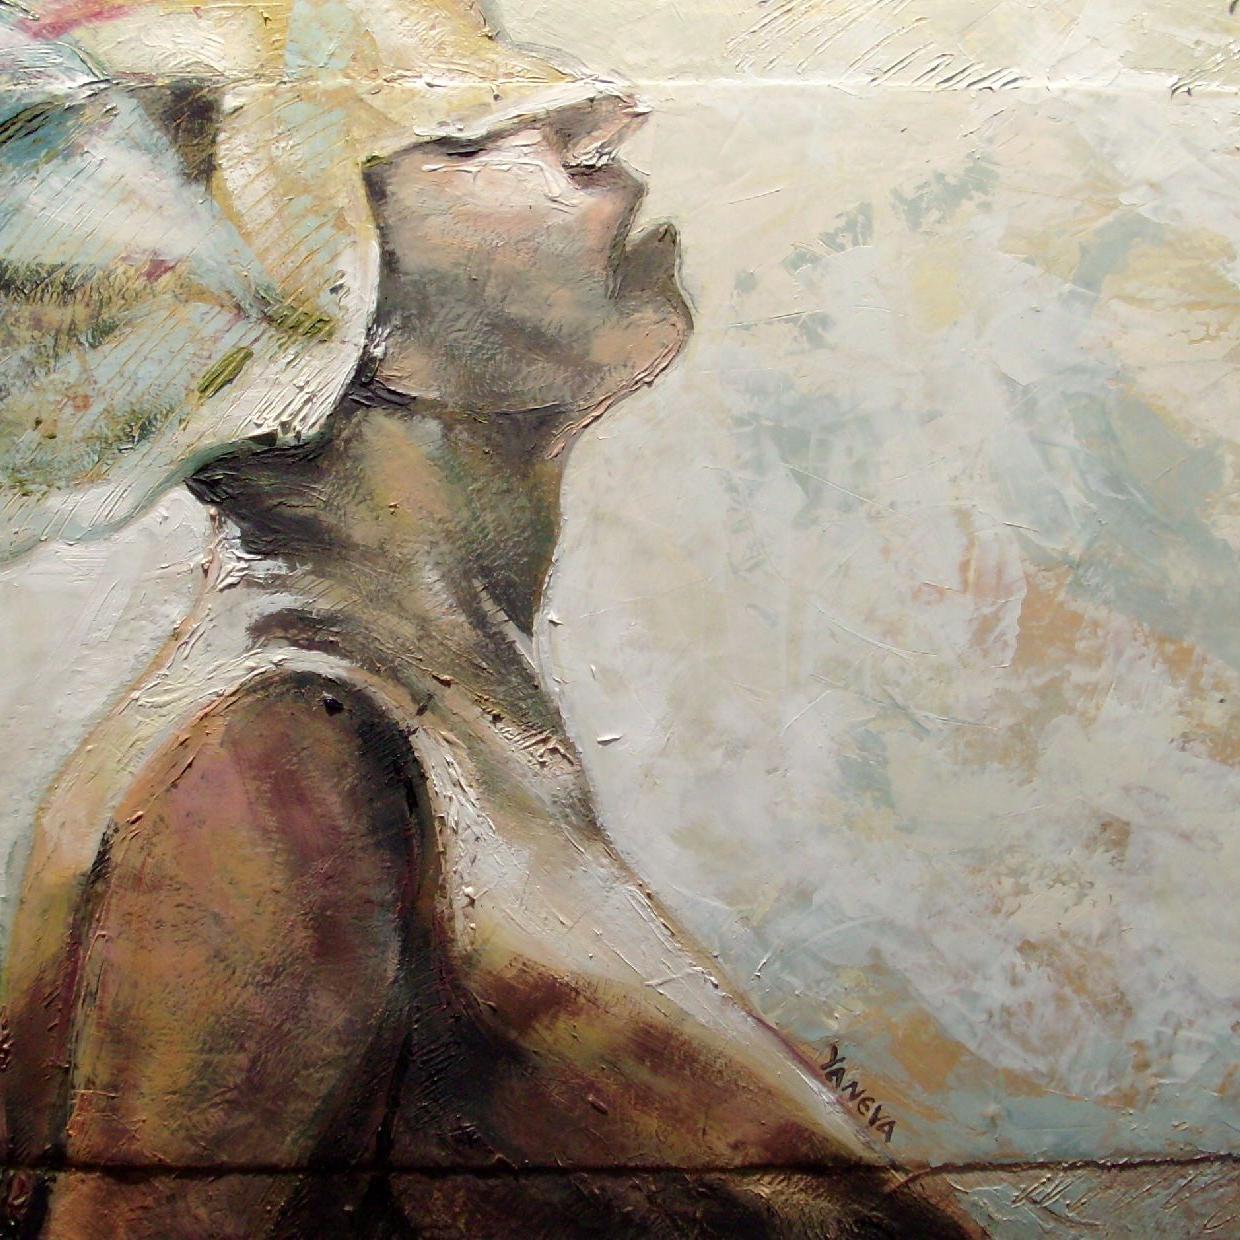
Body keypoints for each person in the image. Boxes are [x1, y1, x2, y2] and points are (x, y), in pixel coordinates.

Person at [0, 1, 973, 1233]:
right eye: (460, 133)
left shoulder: (411, 721)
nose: (597, 122)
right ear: (345, 314)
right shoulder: (285, 757)